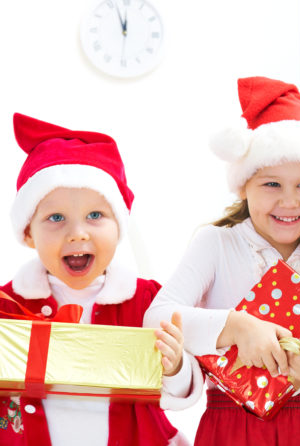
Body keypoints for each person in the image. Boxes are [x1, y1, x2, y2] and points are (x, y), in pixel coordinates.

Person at [143, 76, 300, 445]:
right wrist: (236, 326)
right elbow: (158, 316)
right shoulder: (216, 244)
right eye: (271, 184)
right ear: (244, 186)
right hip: (229, 425)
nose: (289, 202)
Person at [0, 113, 193, 445]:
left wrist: (175, 366)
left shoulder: (147, 301)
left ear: (119, 226)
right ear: (28, 233)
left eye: (95, 215)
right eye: (56, 217)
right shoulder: (8, 306)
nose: (77, 233)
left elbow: (178, 395)